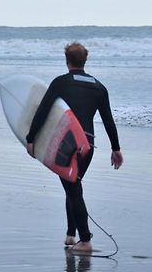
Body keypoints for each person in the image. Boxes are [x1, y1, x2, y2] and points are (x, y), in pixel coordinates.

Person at [25, 42, 123, 252]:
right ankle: (71, 235)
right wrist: (116, 149)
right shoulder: (99, 86)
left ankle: (85, 239)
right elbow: (108, 120)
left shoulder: (61, 83)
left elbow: (43, 111)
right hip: (87, 145)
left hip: (67, 143)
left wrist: (31, 138)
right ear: (85, 60)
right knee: (73, 185)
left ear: (67, 60)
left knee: (73, 188)